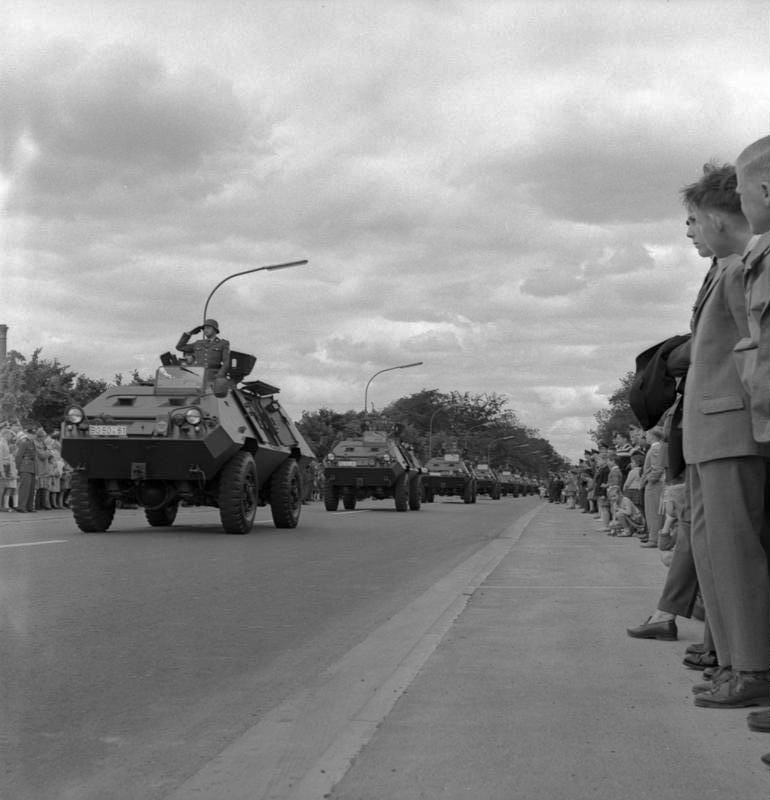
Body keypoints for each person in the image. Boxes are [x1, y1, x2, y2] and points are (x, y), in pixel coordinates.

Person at [680, 163, 770, 708]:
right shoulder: (725, 269)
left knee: (736, 554)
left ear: (717, 217)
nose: (690, 231)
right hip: (710, 433)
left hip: (734, 430)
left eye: (692, 220)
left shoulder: (741, 270)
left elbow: (756, 354)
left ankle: (753, 667)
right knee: (712, 550)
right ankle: (735, 661)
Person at [176, 319, 230, 383]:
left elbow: (226, 362)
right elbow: (180, 347)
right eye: (204, 328)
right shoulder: (198, 343)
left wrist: (219, 375)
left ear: (215, 330)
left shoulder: (222, 343)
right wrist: (189, 333)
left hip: (213, 376)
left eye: (208, 328)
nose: (205, 330)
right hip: (197, 376)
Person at [639, 427, 665, 548]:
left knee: (653, 512)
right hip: (656, 484)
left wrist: (649, 480)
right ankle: (655, 536)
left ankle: (654, 538)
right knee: (654, 512)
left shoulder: (655, 448)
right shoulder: (657, 447)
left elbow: (657, 468)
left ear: (652, 435)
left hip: (655, 485)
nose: (646, 437)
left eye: (647, 435)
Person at [14, 428, 38, 512]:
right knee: (25, 488)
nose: (35, 436)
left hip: (32, 468)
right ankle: (22, 506)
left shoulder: (32, 443)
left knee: (31, 489)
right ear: (29, 434)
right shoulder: (24, 442)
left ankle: (29, 506)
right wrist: (17, 468)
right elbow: (18, 456)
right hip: (25, 467)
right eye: (33, 434)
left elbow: (34, 457)